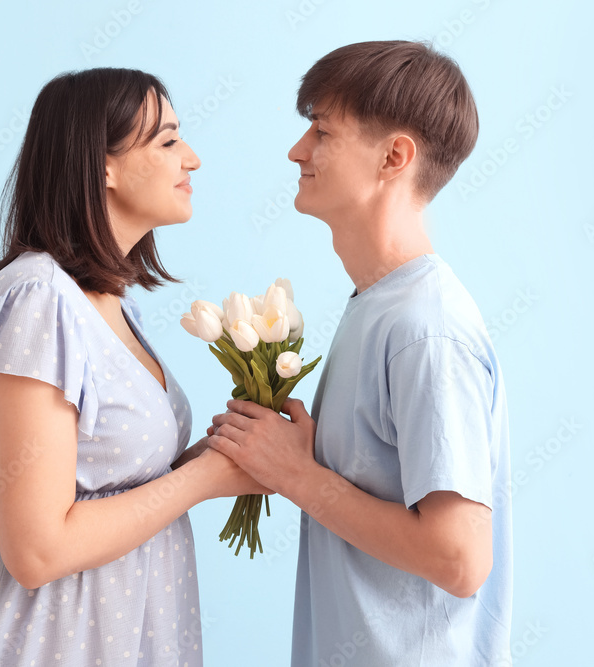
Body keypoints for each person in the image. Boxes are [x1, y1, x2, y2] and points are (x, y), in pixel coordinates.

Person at [0, 67, 268, 667]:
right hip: (23, 638)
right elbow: (38, 549)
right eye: (167, 140)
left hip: (95, 629)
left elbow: (107, 485)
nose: (193, 159)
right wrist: (204, 481)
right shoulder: (40, 299)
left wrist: (219, 456)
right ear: (101, 165)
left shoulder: (104, 299)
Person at [207, 41, 513, 666]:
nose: (298, 151)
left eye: (321, 131)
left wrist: (296, 475)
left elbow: (458, 559)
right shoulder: (377, 306)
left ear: (395, 156)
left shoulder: (426, 329)